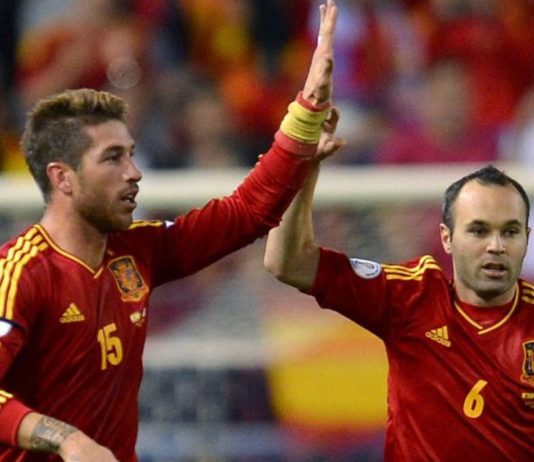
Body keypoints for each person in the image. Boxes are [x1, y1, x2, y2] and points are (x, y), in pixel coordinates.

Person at [0, 2, 339, 460]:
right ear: (63, 178)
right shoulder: (21, 273)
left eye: (131, 153)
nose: (134, 172)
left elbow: (246, 213)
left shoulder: (139, 251)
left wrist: (306, 114)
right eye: (113, 158)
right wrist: (68, 439)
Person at [264, 153, 534, 458]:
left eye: (510, 232)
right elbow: (288, 262)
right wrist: (299, 165)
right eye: (478, 231)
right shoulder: (412, 296)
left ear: (526, 238)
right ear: (447, 238)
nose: (496, 246)